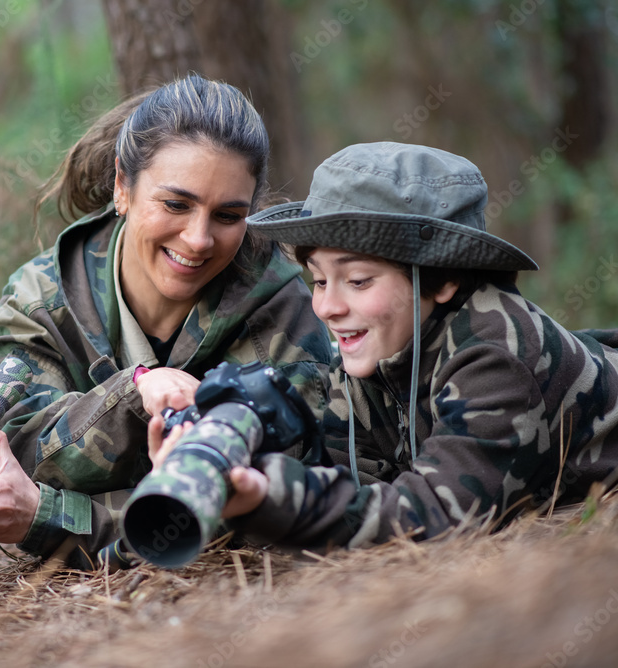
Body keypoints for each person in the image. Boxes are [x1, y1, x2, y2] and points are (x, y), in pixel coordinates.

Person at [0, 75, 333, 567]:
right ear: (122, 186)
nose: (199, 238)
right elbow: (14, 454)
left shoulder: (284, 310)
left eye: (228, 216)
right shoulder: (43, 299)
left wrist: (53, 517)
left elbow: (262, 509)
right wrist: (135, 392)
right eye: (176, 205)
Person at [155, 141, 618, 549]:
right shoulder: (372, 353)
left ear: (444, 278)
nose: (327, 307)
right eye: (318, 280)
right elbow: (344, 478)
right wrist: (215, 465)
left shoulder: (496, 354)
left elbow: (436, 516)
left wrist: (271, 495)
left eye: (357, 280)